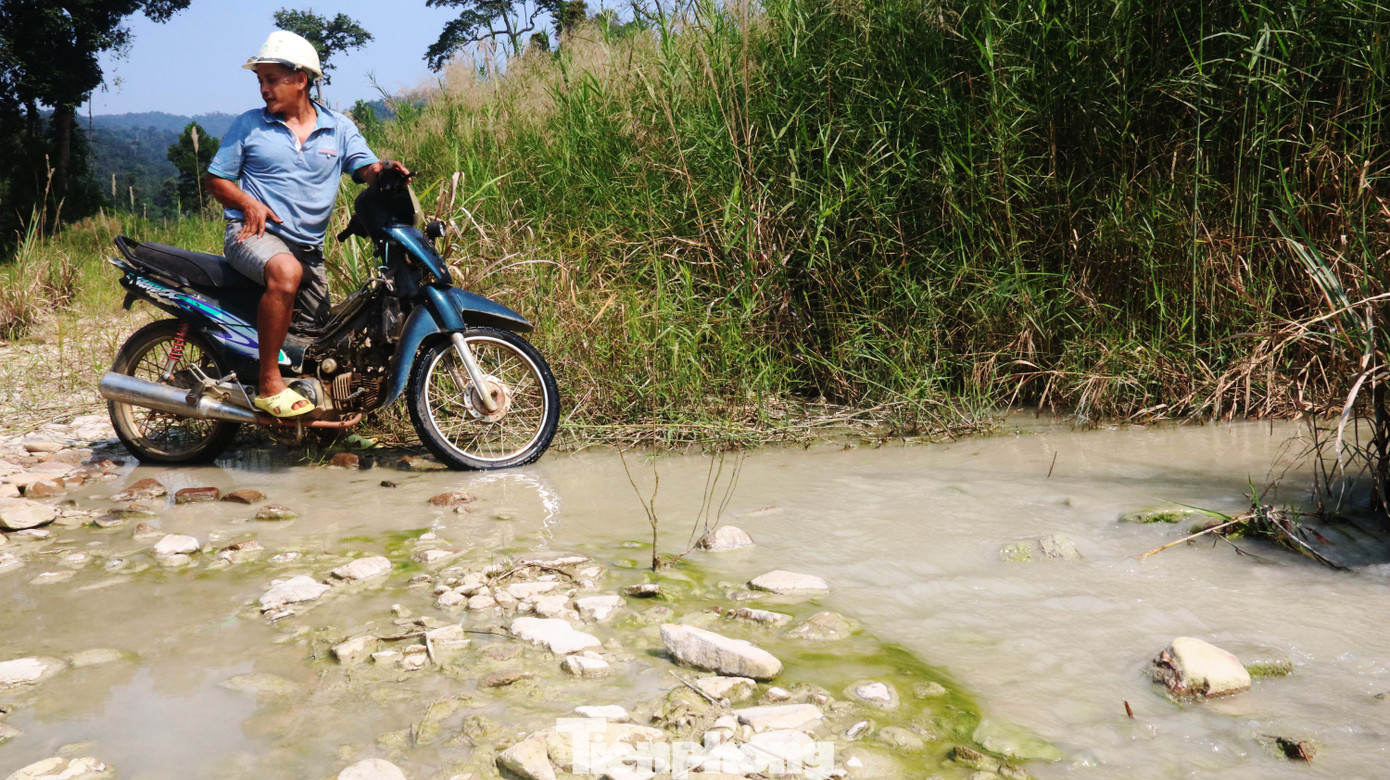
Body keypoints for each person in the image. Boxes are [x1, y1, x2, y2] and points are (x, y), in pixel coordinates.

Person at [206, 30, 409, 418]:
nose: (263, 89)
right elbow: (216, 180)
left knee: (323, 347)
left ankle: (314, 425)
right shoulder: (249, 125)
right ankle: (268, 384)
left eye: (271, 79)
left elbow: (365, 168)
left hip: (308, 250)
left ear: (300, 79)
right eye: (260, 81)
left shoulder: (339, 127)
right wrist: (248, 203)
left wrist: (384, 170)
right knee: (285, 271)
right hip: (253, 236)